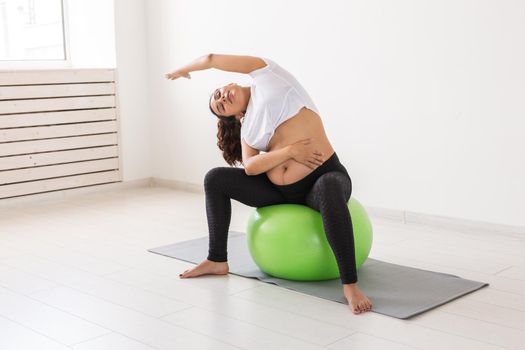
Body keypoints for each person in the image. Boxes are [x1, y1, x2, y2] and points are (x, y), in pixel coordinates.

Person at [165, 54, 372, 314]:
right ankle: (216, 259)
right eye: (219, 106)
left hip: (322, 178)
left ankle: (350, 285)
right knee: (215, 178)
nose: (221, 99)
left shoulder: (269, 77)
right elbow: (251, 167)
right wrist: (289, 153)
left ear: (230, 83)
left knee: (330, 186)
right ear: (234, 115)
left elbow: (212, 58)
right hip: (280, 192)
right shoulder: (248, 127)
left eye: (219, 93)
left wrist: (183, 69)